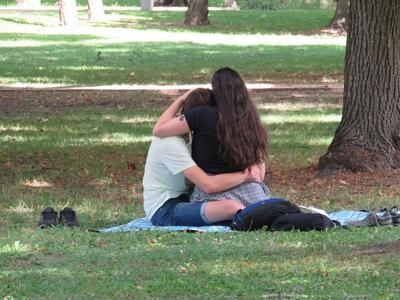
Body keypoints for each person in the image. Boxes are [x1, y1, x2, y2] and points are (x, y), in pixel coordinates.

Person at [143, 89, 262, 226]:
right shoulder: (170, 144)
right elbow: (208, 185)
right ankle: (256, 219)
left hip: (187, 198)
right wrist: (246, 175)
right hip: (164, 209)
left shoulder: (194, 137)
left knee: (237, 202)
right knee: (232, 207)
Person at [153, 67, 270, 206]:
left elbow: (159, 129)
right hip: (255, 195)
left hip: (213, 196)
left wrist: (181, 99)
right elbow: (260, 175)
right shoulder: (252, 123)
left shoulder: (202, 114)